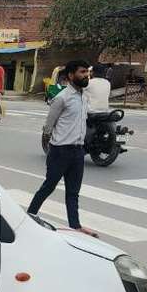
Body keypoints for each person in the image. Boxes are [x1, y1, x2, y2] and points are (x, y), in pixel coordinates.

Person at [28, 59, 98, 238]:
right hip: (60, 151)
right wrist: (50, 145)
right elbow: (49, 125)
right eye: (82, 72)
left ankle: (75, 226)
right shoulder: (62, 98)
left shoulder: (84, 97)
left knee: (73, 192)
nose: (86, 75)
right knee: (49, 186)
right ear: (71, 75)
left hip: (78, 151)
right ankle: (29, 215)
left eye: (87, 72)